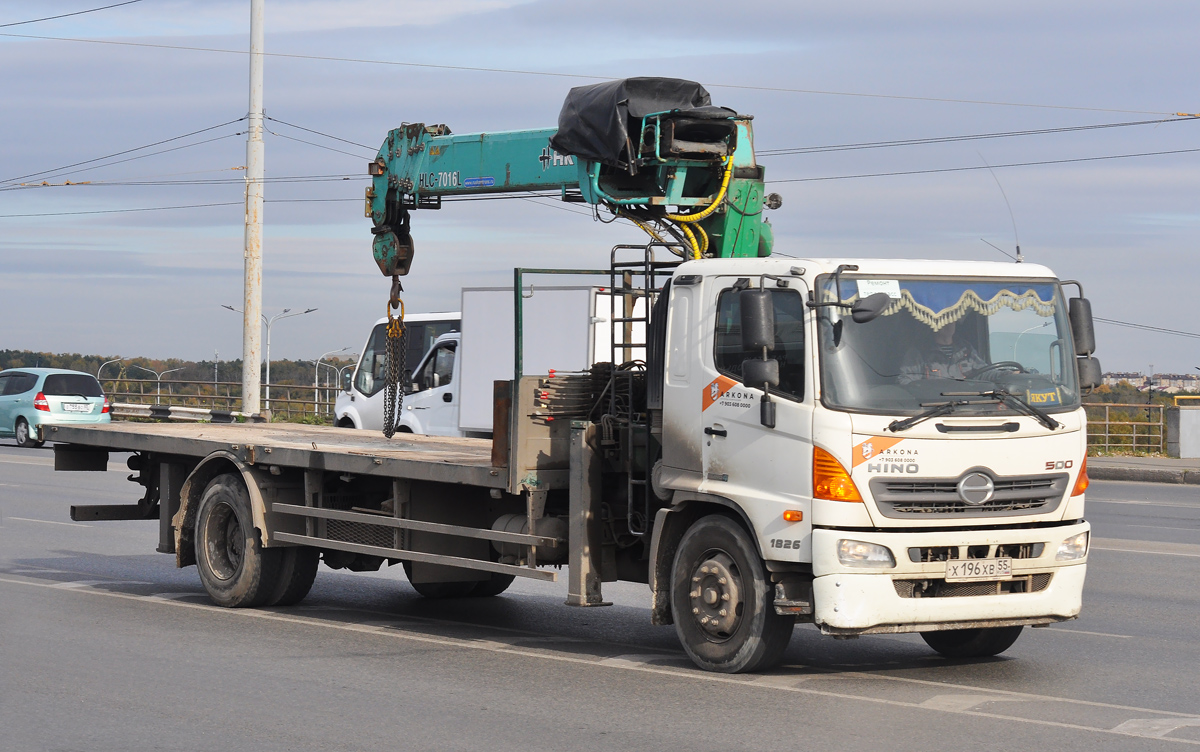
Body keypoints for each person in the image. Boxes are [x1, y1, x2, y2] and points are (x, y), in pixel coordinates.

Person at [898, 320, 988, 384]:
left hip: (967, 405)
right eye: (943, 319)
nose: (947, 323)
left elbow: (984, 373)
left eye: (951, 319)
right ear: (933, 323)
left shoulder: (966, 349)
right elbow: (906, 381)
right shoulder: (918, 352)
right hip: (934, 408)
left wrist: (1001, 376)